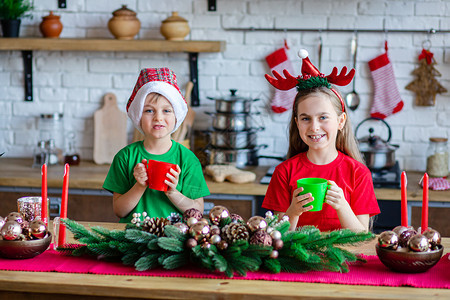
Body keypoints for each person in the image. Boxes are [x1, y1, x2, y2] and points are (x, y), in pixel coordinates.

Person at [262, 49, 380, 232]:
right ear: (297, 123)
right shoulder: (283, 172)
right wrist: (292, 212)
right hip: (298, 260)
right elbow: (278, 238)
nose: (314, 127)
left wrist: (342, 206)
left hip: (343, 260)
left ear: (341, 121)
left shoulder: (358, 173)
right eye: (305, 118)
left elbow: (363, 237)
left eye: (323, 117)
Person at [103, 68, 210, 223]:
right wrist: (139, 186)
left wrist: (173, 192)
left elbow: (197, 211)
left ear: (176, 116)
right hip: (132, 242)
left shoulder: (188, 159)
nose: (158, 118)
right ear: (138, 116)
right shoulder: (125, 157)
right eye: (149, 111)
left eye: (166, 110)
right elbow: (119, 210)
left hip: (174, 242)